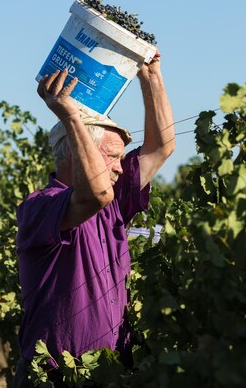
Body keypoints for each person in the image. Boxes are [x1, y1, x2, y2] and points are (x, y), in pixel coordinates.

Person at [14, 54, 175, 387]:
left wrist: (150, 76)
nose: (119, 167)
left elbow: (161, 147)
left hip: (110, 374)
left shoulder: (113, 206)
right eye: (112, 157)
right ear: (76, 153)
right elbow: (95, 193)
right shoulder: (40, 207)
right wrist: (71, 116)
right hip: (57, 378)